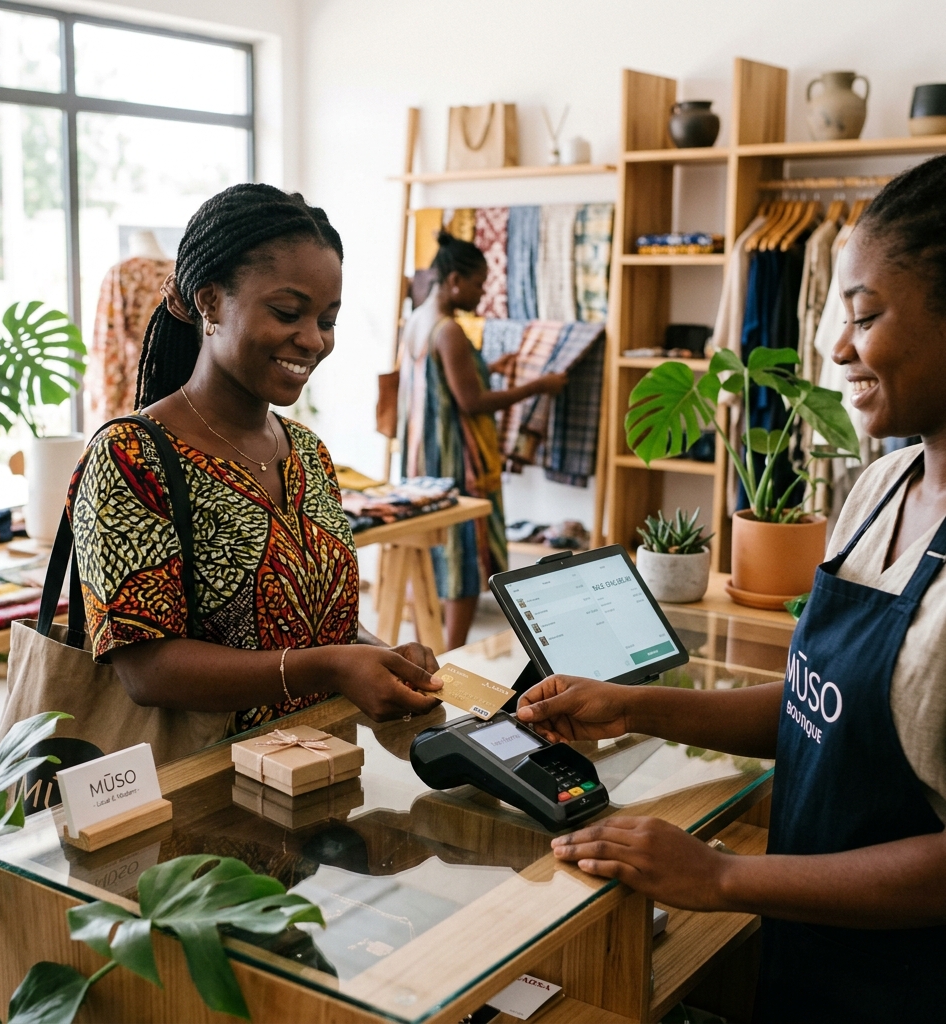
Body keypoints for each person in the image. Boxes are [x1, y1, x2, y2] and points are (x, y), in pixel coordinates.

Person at [516, 156, 946, 1023]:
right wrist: (636, 706)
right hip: (808, 957)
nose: (835, 348)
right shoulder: (881, 486)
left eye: (864, 316)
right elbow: (815, 712)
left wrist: (719, 875)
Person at [70, 183, 443, 731]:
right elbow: (146, 669)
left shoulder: (307, 454)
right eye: (289, 312)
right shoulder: (129, 457)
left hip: (322, 771)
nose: (313, 340)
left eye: (327, 319)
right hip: (207, 793)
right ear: (210, 301)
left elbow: (313, 630)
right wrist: (334, 667)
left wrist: (378, 657)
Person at [398, 231, 567, 648]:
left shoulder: (419, 320)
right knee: (467, 562)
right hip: (462, 464)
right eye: (478, 284)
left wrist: (488, 365)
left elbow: (443, 383)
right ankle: (454, 655)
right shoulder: (450, 330)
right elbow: (471, 402)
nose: (482, 292)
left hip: (426, 459)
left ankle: (428, 646)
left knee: (438, 555)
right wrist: (538, 386)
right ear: (454, 280)